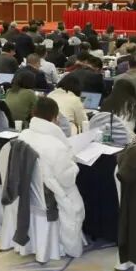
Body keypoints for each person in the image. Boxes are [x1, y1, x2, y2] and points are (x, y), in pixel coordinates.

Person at [17, 97, 85, 257]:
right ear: (55, 118)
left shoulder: (23, 135)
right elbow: (67, 180)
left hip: (28, 193)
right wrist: (74, 165)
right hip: (49, 195)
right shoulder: (56, 145)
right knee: (75, 201)